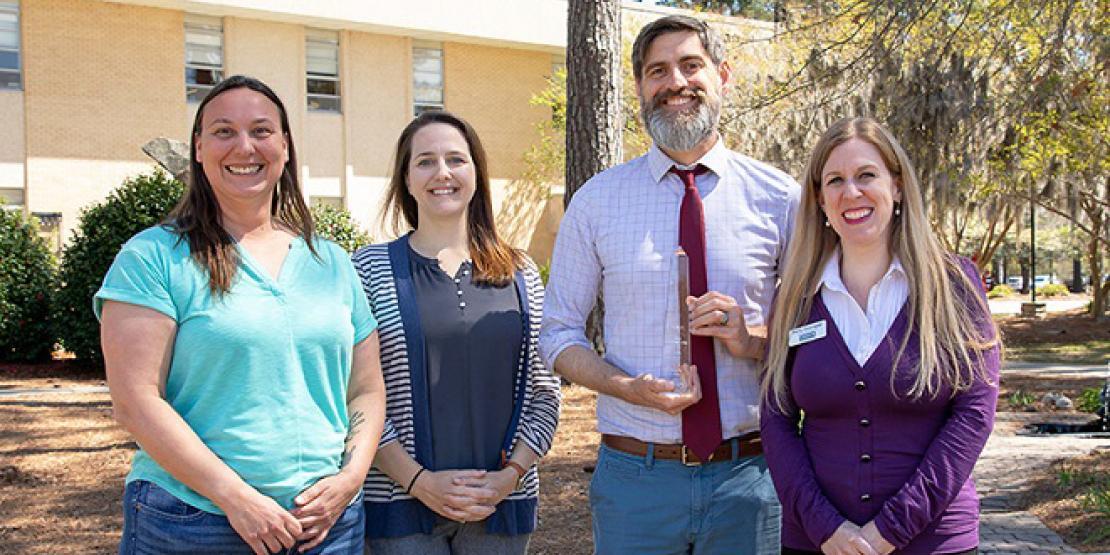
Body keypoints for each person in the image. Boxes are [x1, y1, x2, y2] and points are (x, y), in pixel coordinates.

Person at [540, 14, 798, 554]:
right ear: (639, 87)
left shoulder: (782, 200)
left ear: (723, 76)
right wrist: (624, 387)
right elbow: (558, 335)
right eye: (658, 71)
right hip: (636, 480)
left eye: (690, 65)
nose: (675, 82)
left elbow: (815, 333)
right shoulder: (596, 202)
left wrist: (750, 340)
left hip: (750, 477)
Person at [97, 75, 386, 555]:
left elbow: (366, 388)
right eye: (224, 131)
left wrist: (349, 481)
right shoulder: (152, 257)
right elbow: (135, 399)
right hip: (194, 523)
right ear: (198, 148)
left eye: (261, 130)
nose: (244, 146)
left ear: (286, 147)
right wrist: (237, 500)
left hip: (327, 526)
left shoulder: (331, 262)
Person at [760, 117, 1001, 555]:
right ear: (819, 200)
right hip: (817, 544)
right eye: (835, 180)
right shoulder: (795, 296)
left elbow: (974, 414)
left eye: (866, 175)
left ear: (898, 186)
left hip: (934, 542)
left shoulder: (955, 286)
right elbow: (776, 418)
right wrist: (825, 528)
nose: (851, 192)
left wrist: (889, 530)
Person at [352, 110, 561, 554]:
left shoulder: (522, 272)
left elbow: (545, 393)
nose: (441, 173)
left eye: (455, 160)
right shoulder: (368, 270)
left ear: (476, 173)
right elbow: (356, 393)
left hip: (501, 504)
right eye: (425, 161)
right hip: (399, 505)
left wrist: (511, 476)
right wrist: (418, 481)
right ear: (406, 180)